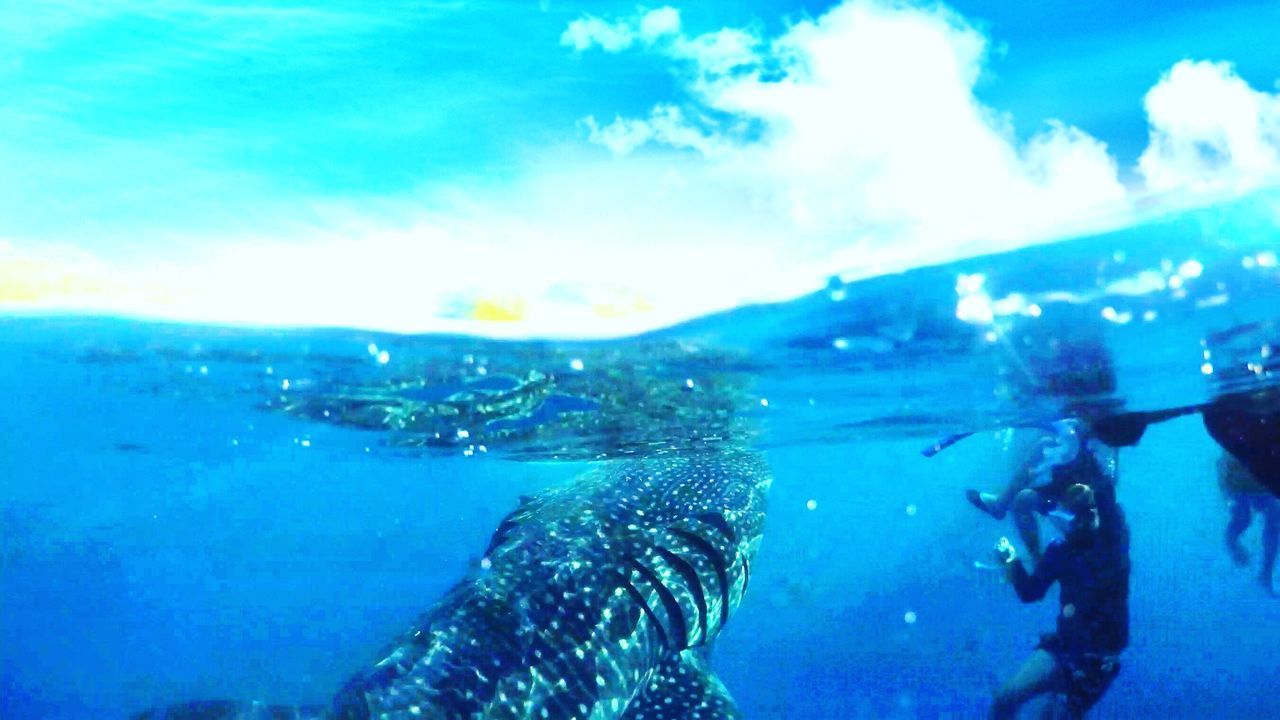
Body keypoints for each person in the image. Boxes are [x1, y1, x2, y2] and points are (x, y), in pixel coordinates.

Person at [989, 481, 1130, 719]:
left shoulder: (1112, 539)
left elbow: (1105, 492)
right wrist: (1012, 561)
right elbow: (1031, 592)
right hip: (1066, 645)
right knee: (1005, 697)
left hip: (1098, 660)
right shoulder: (1061, 550)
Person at [967, 420, 1114, 563]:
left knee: (1044, 446)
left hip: (1084, 502)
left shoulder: (1099, 436)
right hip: (1070, 492)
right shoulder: (1087, 431)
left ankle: (1001, 504)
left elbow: (1105, 475)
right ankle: (1038, 560)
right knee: (1024, 497)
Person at [1218, 450, 1279, 594]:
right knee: (1242, 521)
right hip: (1237, 485)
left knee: (1274, 524)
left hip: (1263, 487)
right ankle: (1232, 544)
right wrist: (1227, 497)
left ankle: (1266, 574)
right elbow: (1222, 464)